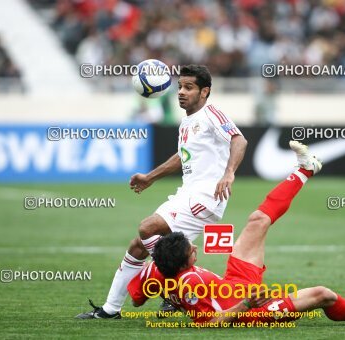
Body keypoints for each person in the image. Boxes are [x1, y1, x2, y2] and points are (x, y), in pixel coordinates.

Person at [127, 141, 345, 326]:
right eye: (192, 250)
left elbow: (138, 298)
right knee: (322, 295)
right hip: (249, 312)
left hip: (233, 284)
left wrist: (170, 300)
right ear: (184, 262)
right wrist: (247, 303)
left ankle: (305, 169)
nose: (196, 250)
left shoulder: (157, 270)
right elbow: (213, 323)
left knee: (257, 220)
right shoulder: (190, 282)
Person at [77, 65, 248, 319]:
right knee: (138, 246)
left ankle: (172, 290)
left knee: (147, 229)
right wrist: (150, 177)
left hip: (205, 197)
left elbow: (239, 139)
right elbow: (182, 156)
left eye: (189, 87)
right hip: (187, 194)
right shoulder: (187, 121)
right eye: (180, 86)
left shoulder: (212, 113)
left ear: (205, 92)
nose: (181, 92)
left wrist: (229, 173)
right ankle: (110, 310)